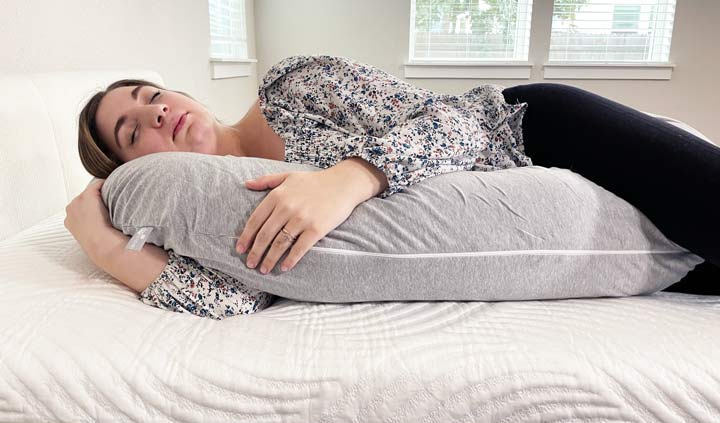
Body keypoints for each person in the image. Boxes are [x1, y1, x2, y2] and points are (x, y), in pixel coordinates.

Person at [65, 54, 720, 320]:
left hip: (537, 130)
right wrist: (104, 246)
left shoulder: (293, 86)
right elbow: (234, 302)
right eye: (129, 131)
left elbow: (457, 117)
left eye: (152, 94)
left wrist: (351, 179)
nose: (153, 111)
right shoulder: (202, 214)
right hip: (554, 228)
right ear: (132, 172)